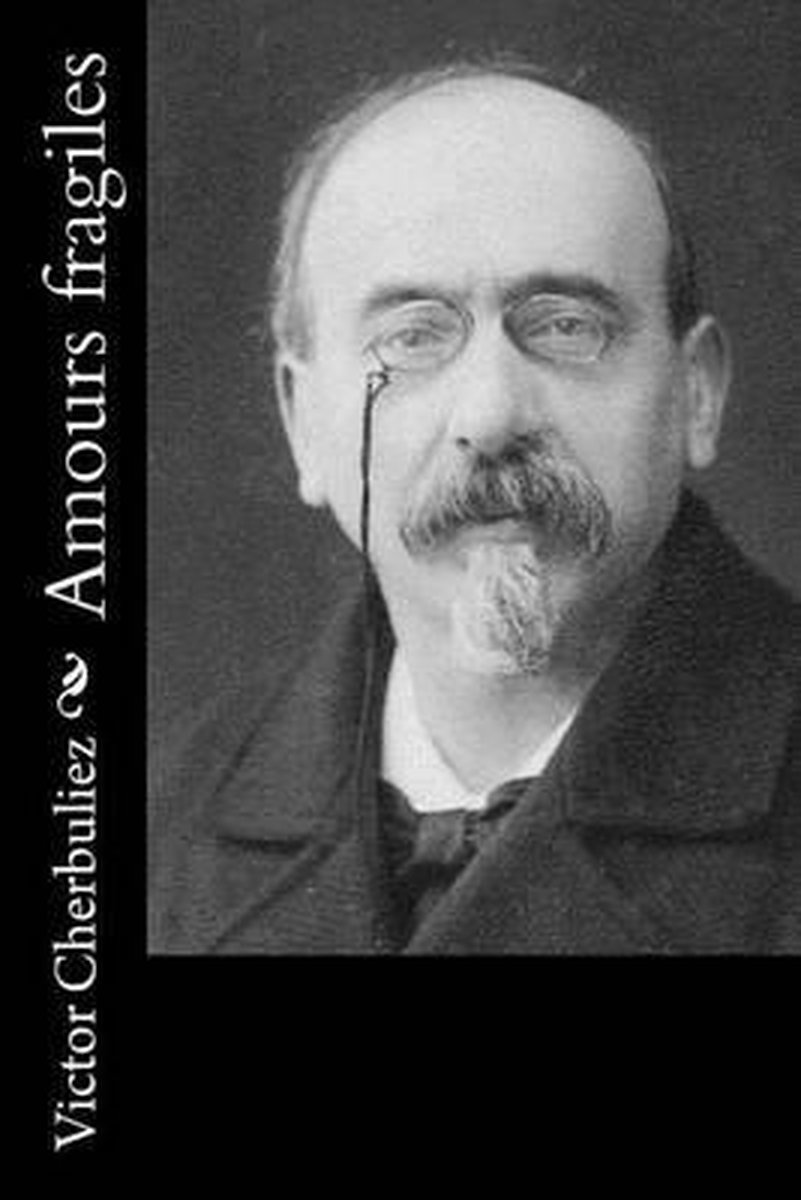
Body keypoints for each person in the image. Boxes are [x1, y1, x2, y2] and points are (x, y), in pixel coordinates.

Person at [149, 57, 800, 955]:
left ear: (696, 395)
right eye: (412, 337)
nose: (490, 416)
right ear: (302, 421)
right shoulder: (156, 829)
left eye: (566, 326)